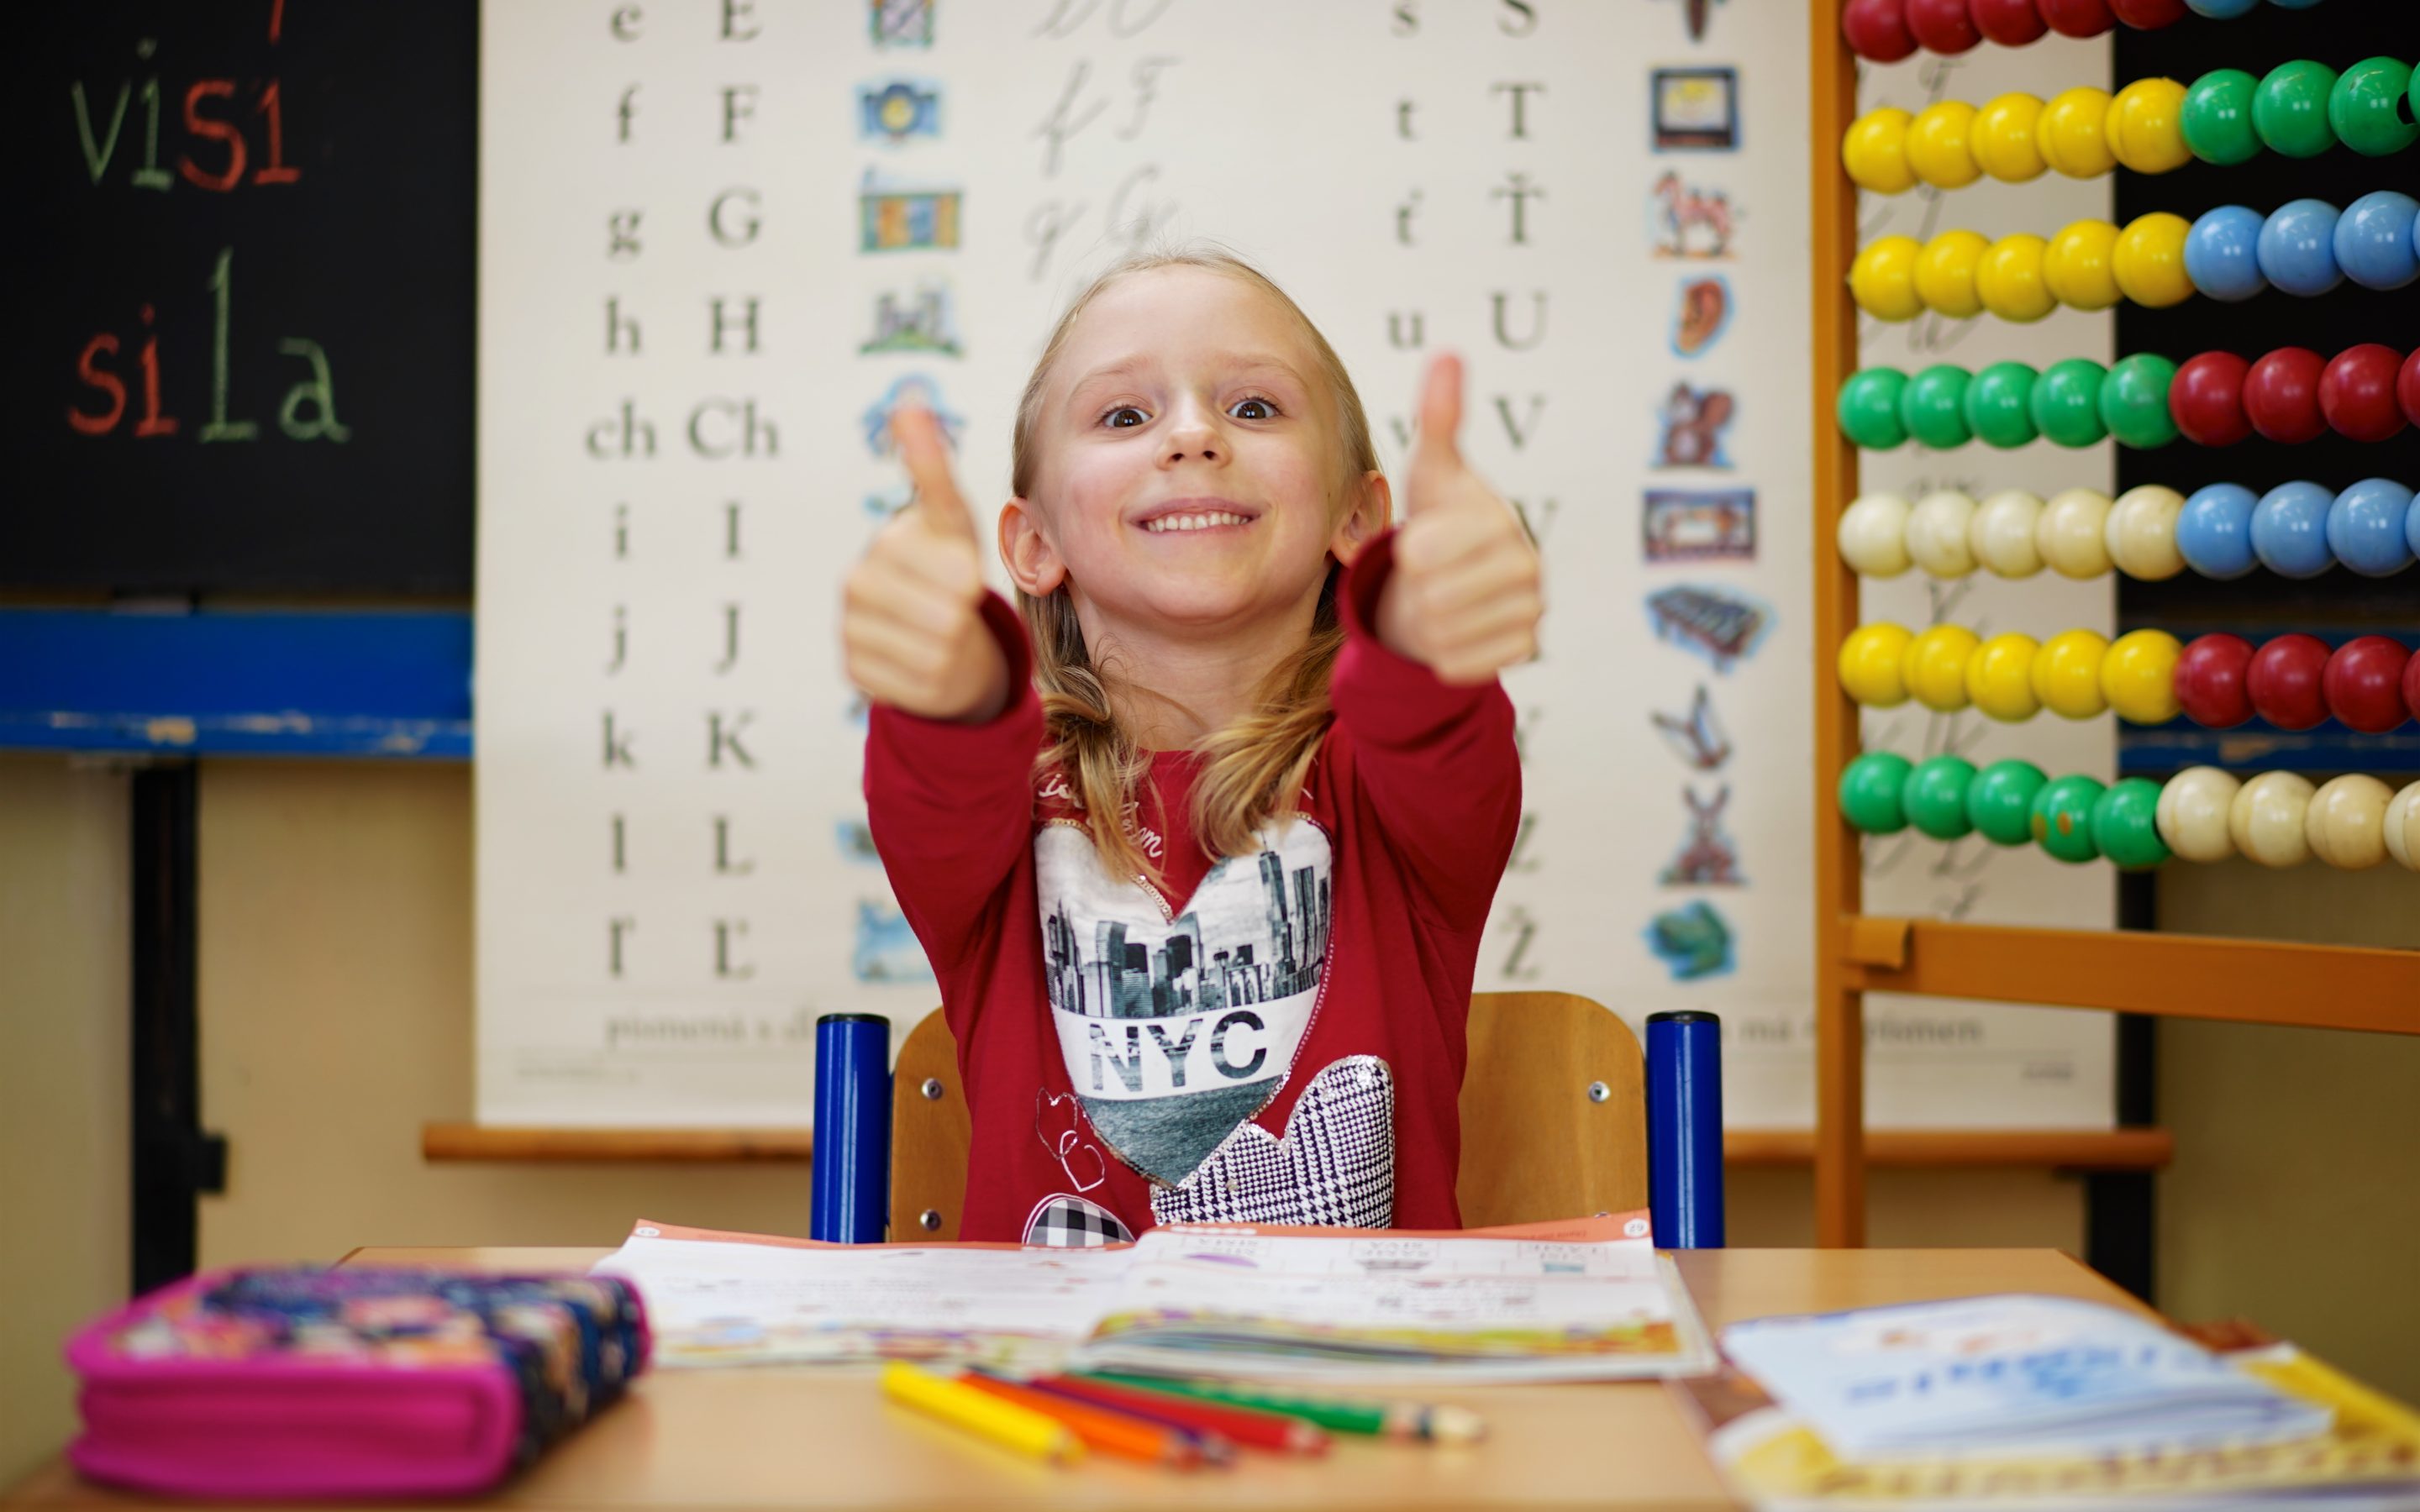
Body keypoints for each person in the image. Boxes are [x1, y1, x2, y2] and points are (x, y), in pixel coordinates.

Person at [846, 246, 1541, 1244]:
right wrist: (948, 686)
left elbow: (1433, 729)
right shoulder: (1006, 807)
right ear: (1034, 544)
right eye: (1123, 416)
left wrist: (1426, 625)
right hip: (1057, 1347)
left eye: (1253, 406)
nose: (1192, 436)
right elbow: (942, 780)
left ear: (1357, 517)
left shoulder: (1390, 790)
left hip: (1360, 1343)